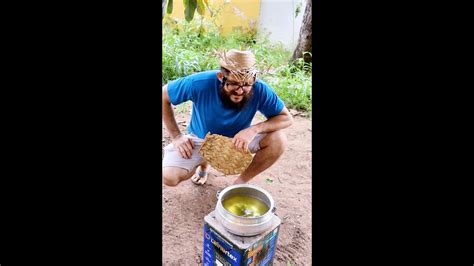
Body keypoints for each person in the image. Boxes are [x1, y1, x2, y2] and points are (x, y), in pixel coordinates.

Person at [162, 49, 293, 186]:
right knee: (169, 177)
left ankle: (239, 184)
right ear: (221, 77)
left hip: (236, 142)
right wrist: (177, 136)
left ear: (253, 80)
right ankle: (204, 162)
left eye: (247, 84)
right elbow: (163, 95)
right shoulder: (199, 83)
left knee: (279, 140)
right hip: (200, 140)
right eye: (234, 84)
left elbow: (286, 118)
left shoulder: (259, 88)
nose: (240, 91)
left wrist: (253, 129)